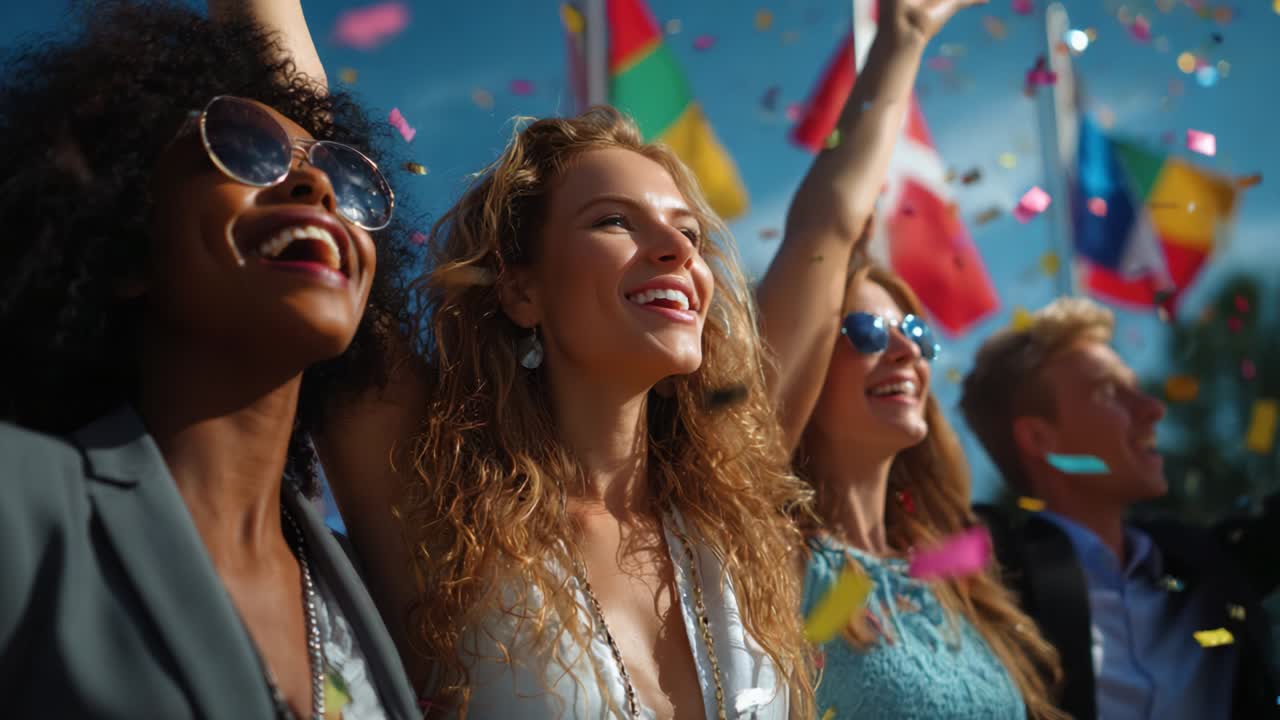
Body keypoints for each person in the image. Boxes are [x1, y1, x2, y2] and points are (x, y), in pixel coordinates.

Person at [0, 2, 419, 718]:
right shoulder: (19, 503)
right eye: (243, 147)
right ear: (128, 241)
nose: (316, 187)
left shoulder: (367, 589)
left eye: (345, 181)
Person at [752, 0, 1068, 716]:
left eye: (917, 337)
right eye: (864, 332)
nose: (903, 348)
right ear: (802, 367)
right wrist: (903, 39)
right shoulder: (762, 546)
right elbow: (825, 227)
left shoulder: (953, 567)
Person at [962, 297, 1280, 720]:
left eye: (1135, 387)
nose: (1152, 409)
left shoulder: (1207, 565)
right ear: (1040, 438)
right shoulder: (997, 583)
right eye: (1110, 392)